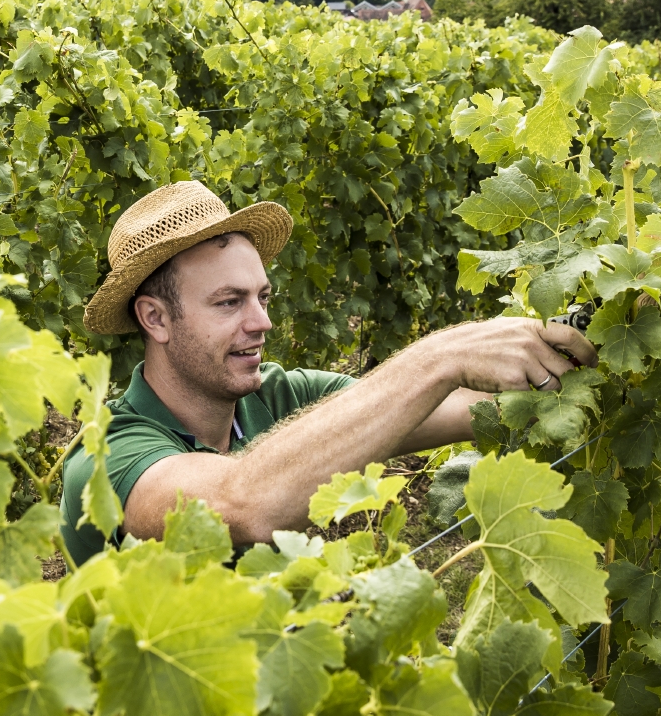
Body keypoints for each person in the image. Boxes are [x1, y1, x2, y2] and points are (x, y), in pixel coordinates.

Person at [59, 180, 597, 565]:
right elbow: (240, 504)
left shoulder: (283, 396)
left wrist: (603, 334)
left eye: (263, 297)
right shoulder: (108, 459)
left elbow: (469, 410)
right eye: (229, 303)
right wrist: (440, 355)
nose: (261, 322)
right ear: (155, 318)